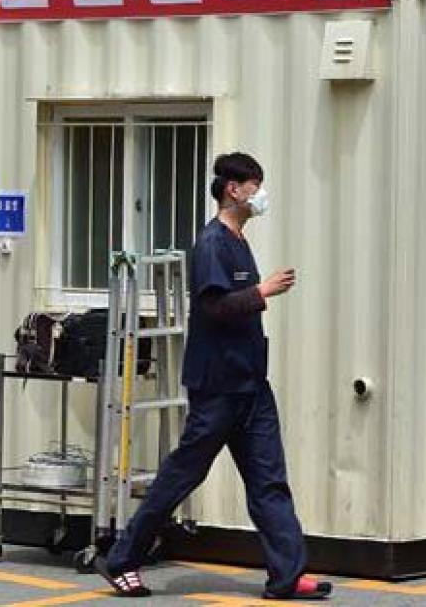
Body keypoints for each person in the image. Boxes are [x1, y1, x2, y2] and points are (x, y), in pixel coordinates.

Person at [96, 153, 332, 601]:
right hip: (218, 386)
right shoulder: (211, 244)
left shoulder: (238, 239)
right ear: (233, 189)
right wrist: (263, 291)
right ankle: (122, 559)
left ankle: (287, 575)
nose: (261, 195)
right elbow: (214, 307)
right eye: (255, 186)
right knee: (182, 475)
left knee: (269, 479)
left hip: (251, 384)